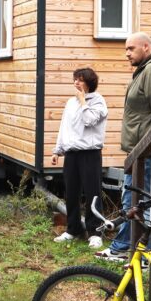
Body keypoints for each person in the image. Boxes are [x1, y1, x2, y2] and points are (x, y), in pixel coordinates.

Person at [96, 32, 151, 262]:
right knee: (131, 200)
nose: (127, 54)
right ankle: (132, 250)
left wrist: (144, 145)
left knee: (135, 202)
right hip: (136, 152)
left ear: (146, 47)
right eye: (126, 49)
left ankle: (130, 250)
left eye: (131, 48)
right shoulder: (141, 71)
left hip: (144, 152)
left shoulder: (150, 71)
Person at [50, 68, 108, 249]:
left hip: (90, 153)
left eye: (80, 80)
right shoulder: (70, 102)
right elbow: (64, 127)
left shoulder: (98, 101)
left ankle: (95, 232)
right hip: (71, 153)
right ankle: (73, 229)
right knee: (71, 192)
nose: (76, 83)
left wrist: (83, 101)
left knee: (92, 193)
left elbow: (89, 120)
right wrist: (57, 150)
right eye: (75, 79)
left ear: (89, 82)